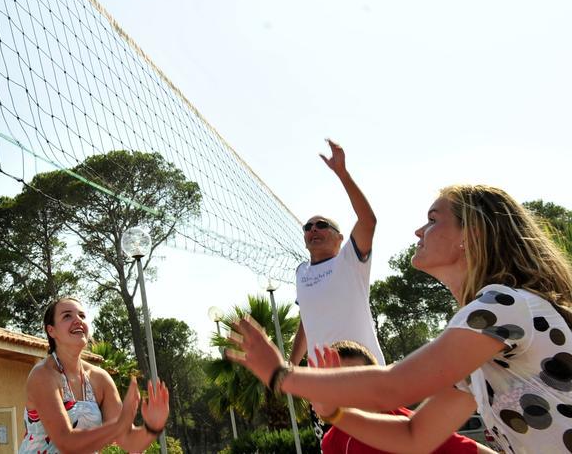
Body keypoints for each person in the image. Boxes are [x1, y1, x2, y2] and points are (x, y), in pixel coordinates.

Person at [226, 184, 572, 454]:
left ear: (472, 236)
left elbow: (392, 387)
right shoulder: (481, 343)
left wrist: (281, 374)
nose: (419, 232)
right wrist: (335, 414)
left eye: (433, 220)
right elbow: (415, 436)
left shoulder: (503, 305)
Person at [20, 297, 170, 454]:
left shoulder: (100, 378)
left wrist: (152, 427)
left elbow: (129, 441)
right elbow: (66, 442)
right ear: (51, 330)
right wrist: (119, 425)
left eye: (82, 316)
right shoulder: (43, 375)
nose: (78, 320)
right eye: (67, 316)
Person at [291, 139, 385, 367]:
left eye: (322, 225)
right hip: (323, 383)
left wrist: (342, 174)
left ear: (340, 237)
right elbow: (307, 318)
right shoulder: (301, 272)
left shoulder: (350, 260)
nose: (313, 228)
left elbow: (368, 221)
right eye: (308, 227)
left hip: (364, 372)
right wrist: (290, 364)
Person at [316, 341, 490, 453]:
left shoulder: (405, 424)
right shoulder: (332, 441)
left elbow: (473, 450)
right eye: (336, 380)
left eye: (353, 378)